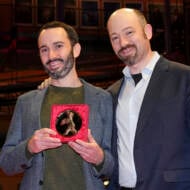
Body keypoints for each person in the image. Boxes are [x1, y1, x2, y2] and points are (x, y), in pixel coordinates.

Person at [0, 21, 114, 190]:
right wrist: (29, 147)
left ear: (76, 50)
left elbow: (113, 167)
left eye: (58, 46)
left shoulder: (103, 99)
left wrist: (99, 158)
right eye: (44, 49)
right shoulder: (26, 102)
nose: (51, 55)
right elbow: (6, 164)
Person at [106, 8, 190, 190]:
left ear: (148, 32)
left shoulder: (184, 79)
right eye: (115, 38)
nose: (123, 42)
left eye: (129, 32)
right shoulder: (111, 94)